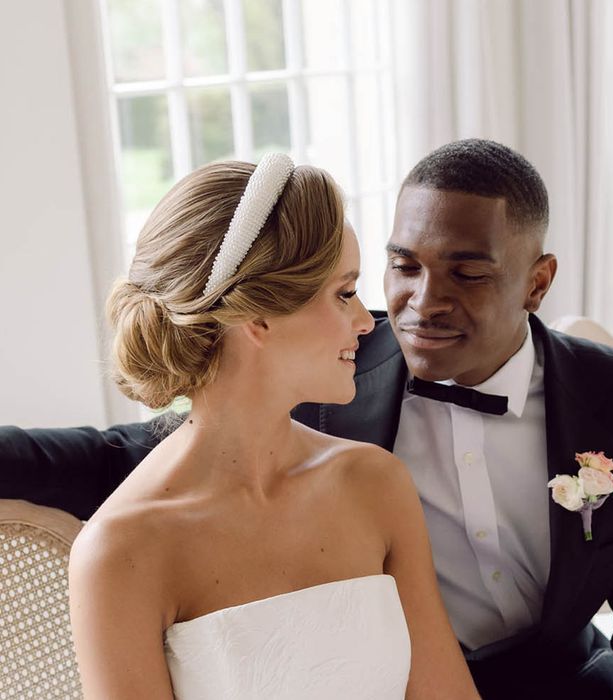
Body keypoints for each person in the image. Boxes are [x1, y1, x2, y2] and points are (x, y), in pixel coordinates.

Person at [0, 139, 613, 699]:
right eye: (394, 270)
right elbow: (133, 453)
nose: (409, 309)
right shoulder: (325, 382)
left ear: (538, 281)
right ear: (256, 320)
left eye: (466, 273)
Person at [61, 155, 480, 698]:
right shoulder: (120, 552)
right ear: (256, 318)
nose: (365, 322)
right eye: (344, 293)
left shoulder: (375, 484)